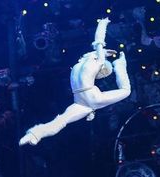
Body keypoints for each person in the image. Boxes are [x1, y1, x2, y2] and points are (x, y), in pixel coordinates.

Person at [19, 18, 131, 146]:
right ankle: (119, 65)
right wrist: (102, 24)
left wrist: (102, 27)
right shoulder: (97, 62)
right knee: (126, 91)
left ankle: (34, 134)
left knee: (61, 120)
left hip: (80, 100)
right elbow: (99, 41)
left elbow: (98, 45)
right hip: (89, 98)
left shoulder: (77, 66)